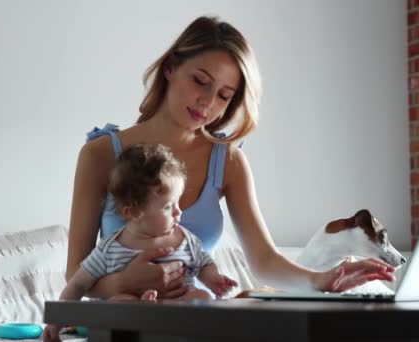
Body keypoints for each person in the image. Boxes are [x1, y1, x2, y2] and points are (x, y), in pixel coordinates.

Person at [66, 15, 396, 300]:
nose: (207, 102)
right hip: (123, 323)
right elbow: (75, 275)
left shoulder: (229, 162)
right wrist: (121, 283)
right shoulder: (100, 155)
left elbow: (264, 261)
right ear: (170, 67)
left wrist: (324, 279)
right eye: (200, 81)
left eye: (224, 95)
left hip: (196, 318)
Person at [45, 144, 237, 341]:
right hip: (134, 324)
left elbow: (204, 264)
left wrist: (215, 280)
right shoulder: (110, 248)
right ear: (134, 212)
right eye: (169, 206)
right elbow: (78, 284)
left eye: (178, 203)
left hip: (179, 312)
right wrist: (56, 322)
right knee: (117, 303)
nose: (179, 212)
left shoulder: (185, 239)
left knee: (202, 298)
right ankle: (141, 311)